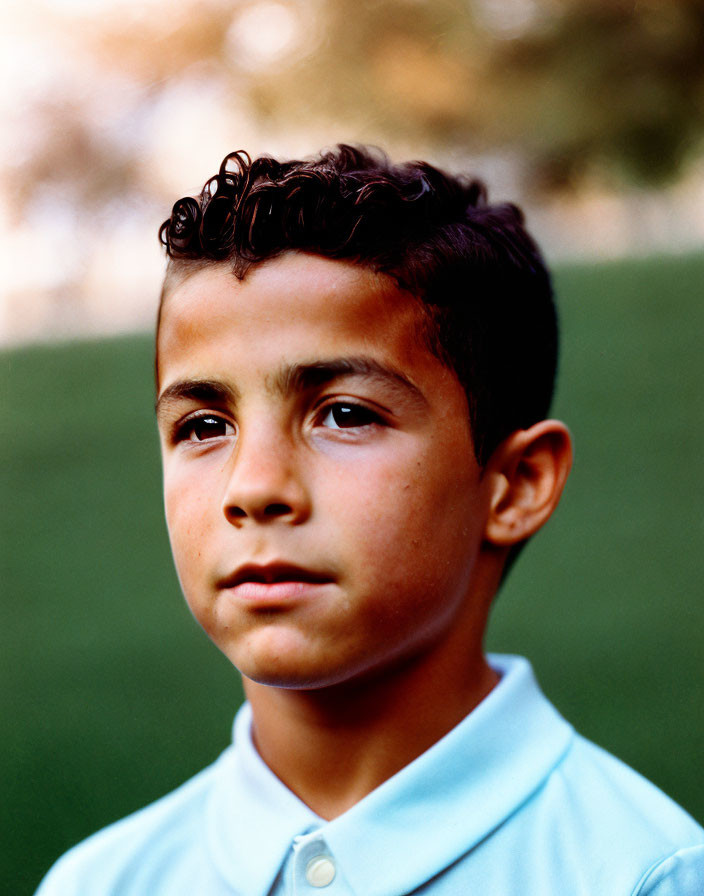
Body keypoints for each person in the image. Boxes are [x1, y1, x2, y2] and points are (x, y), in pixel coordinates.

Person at [36, 145, 704, 895]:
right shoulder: (99, 883)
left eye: (345, 414)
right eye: (202, 426)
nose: (253, 488)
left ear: (515, 484)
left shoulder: (645, 875)